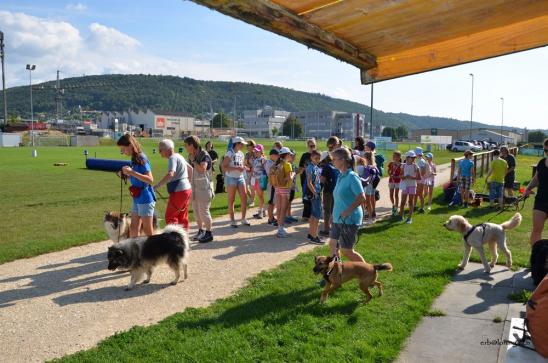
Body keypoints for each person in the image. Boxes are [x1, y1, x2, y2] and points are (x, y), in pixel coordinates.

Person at [328, 147, 366, 262]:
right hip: (338, 218)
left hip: (349, 219)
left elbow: (361, 197)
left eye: (334, 159)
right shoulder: (340, 176)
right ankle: (335, 273)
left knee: (346, 250)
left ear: (343, 160)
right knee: (332, 245)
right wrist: (333, 215)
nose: (332, 161)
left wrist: (348, 211)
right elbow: (338, 198)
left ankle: (367, 272)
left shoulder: (352, 177)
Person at [117, 134, 156, 237]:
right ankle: (135, 250)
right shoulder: (134, 159)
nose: (122, 152)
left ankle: (153, 251)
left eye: (123, 149)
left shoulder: (141, 157)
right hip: (137, 197)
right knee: (133, 227)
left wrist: (131, 173)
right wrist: (125, 176)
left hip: (145, 198)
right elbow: (137, 179)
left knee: (148, 230)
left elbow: (150, 179)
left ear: (130, 145)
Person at [154, 139, 192, 230]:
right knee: (182, 216)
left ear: (167, 149)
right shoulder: (179, 156)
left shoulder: (172, 158)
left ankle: (174, 240)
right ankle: (184, 238)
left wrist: (156, 186)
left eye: (160, 150)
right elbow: (190, 169)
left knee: (170, 216)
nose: (160, 153)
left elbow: (171, 174)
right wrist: (188, 183)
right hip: (187, 189)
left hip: (179, 191)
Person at [185, 136, 214, 243]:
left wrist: (194, 161)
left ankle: (209, 233)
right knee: (196, 211)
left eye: (187, 145)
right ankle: (201, 231)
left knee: (204, 212)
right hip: (194, 187)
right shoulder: (191, 155)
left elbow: (202, 169)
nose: (186, 148)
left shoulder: (204, 155)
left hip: (204, 188)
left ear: (192, 145)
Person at [523, 138, 548, 245]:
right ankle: (536, 256)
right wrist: (528, 188)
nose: (547, 153)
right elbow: (536, 179)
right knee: (536, 229)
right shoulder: (542, 162)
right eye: (546, 150)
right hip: (541, 200)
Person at [222, 136, 250, 228]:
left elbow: (241, 165)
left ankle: (243, 218)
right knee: (231, 199)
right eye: (241, 144)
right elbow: (224, 167)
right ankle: (233, 220)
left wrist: (244, 168)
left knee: (244, 198)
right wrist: (237, 168)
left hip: (240, 177)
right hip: (231, 178)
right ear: (237, 144)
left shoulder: (241, 154)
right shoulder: (230, 153)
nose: (243, 146)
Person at [271, 147, 294, 238]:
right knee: (283, 210)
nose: (291, 156)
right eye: (290, 154)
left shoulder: (277, 164)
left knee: (279, 208)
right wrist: (294, 173)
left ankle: (280, 228)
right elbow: (289, 178)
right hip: (285, 189)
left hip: (277, 188)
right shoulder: (287, 164)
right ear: (287, 155)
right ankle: (281, 230)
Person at [319, 151, 339, 237]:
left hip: (328, 191)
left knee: (326, 211)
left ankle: (326, 229)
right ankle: (333, 228)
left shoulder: (326, 167)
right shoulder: (334, 166)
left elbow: (322, 180)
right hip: (336, 191)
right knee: (333, 210)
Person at [306, 150, 323, 244]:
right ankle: (314, 235)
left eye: (319, 158)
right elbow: (309, 182)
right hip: (314, 193)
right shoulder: (310, 167)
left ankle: (311, 233)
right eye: (316, 158)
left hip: (316, 192)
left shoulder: (316, 167)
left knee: (313, 214)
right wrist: (315, 193)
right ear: (311, 158)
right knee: (316, 215)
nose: (317, 160)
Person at [399, 151, 421, 224]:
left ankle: (409, 218)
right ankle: (401, 217)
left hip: (412, 185)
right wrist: (404, 177)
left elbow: (419, 177)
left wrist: (411, 177)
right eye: (412, 157)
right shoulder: (403, 165)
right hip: (405, 185)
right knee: (402, 202)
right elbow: (400, 176)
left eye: (413, 157)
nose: (413, 158)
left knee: (410, 202)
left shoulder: (415, 166)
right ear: (407, 158)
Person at [298, 138, 316, 221]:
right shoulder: (304, 155)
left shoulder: (317, 155)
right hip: (305, 179)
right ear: (307, 146)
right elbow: (300, 167)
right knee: (306, 196)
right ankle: (305, 215)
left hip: (315, 180)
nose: (312, 147)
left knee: (314, 196)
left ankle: (313, 215)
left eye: (314, 145)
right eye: (310, 146)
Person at [359, 151, 379, 225]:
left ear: (367, 158)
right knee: (366, 201)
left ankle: (370, 217)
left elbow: (368, 177)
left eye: (364, 157)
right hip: (368, 185)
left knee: (367, 201)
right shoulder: (372, 165)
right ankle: (367, 217)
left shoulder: (369, 167)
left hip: (367, 185)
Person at [251, 144, 267, 219]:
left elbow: (266, 170)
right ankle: (263, 211)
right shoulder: (255, 159)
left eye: (258, 151)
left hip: (260, 180)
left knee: (260, 196)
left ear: (261, 151)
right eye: (255, 151)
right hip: (255, 180)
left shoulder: (262, 159)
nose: (256, 152)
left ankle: (260, 212)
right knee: (260, 196)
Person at [265, 149, 280, 225]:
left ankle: (272, 217)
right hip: (272, 185)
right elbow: (272, 173)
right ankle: (270, 218)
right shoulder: (269, 163)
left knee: (273, 202)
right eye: (277, 155)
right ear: (272, 155)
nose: (278, 157)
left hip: (274, 184)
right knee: (271, 202)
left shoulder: (272, 162)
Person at [387, 150, 403, 216]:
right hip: (391, 180)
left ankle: (396, 207)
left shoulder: (401, 165)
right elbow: (388, 171)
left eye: (396, 156)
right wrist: (390, 174)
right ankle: (393, 205)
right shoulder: (391, 163)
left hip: (398, 181)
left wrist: (398, 176)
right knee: (391, 194)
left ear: (399, 157)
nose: (395, 157)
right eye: (394, 156)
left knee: (396, 194)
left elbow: (402, 174)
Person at [286, 150, 299, 223]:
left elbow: (297, 171)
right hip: (287, 186)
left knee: (290, 200)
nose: (293, 157)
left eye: (294, 155)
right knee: (286, 201)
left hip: (293, 186)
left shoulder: (293, 164)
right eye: (291, 155)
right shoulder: (287, 164)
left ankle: (289, 215)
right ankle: (285, 216)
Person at [414, 147, 428, 213]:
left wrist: (416, 175)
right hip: (418, 179)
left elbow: (423, 172)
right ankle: (414, 205)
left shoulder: (421, 161)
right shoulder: (419, 160)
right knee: (416, 193)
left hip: (420, 180)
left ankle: (422, 208)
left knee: (420, 194)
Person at [244, 139, 257, 207]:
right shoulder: (247, 154)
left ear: (253, 146)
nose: (247, 147)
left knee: (252, 187)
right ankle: (250, 197)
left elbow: (258, 163)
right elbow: (245, 163)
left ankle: (252, 201)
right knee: (245, 187)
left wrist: (251, 167)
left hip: (254, 173)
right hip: (248, 172)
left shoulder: (256, 154)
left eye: (248, 145)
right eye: (246, 145)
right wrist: (249, 166)